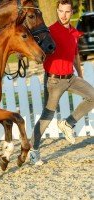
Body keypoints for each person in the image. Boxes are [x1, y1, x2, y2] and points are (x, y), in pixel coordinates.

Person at [29, 0, 94, 165]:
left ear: (72, 13)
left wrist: (80, 74)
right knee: (47, 115)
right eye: (61, 11)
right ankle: (33, 149)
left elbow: (75, 55)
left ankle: (67, 123)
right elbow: (36, 51)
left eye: (67, 12)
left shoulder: (74, 32)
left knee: (93, 96)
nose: (63, 15)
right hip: (54, 81)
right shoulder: (49, 31)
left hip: (71, 78)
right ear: (57, 11)